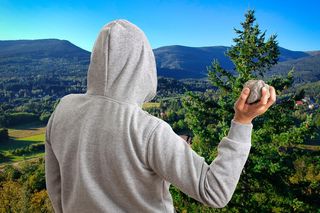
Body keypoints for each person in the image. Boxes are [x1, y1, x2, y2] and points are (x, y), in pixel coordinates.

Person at [45, 19, 276, 213]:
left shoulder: (63, 110)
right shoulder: (148, 130)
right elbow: (214, 191)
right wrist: (243, 122)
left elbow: (56, 188)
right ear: (143, 66)